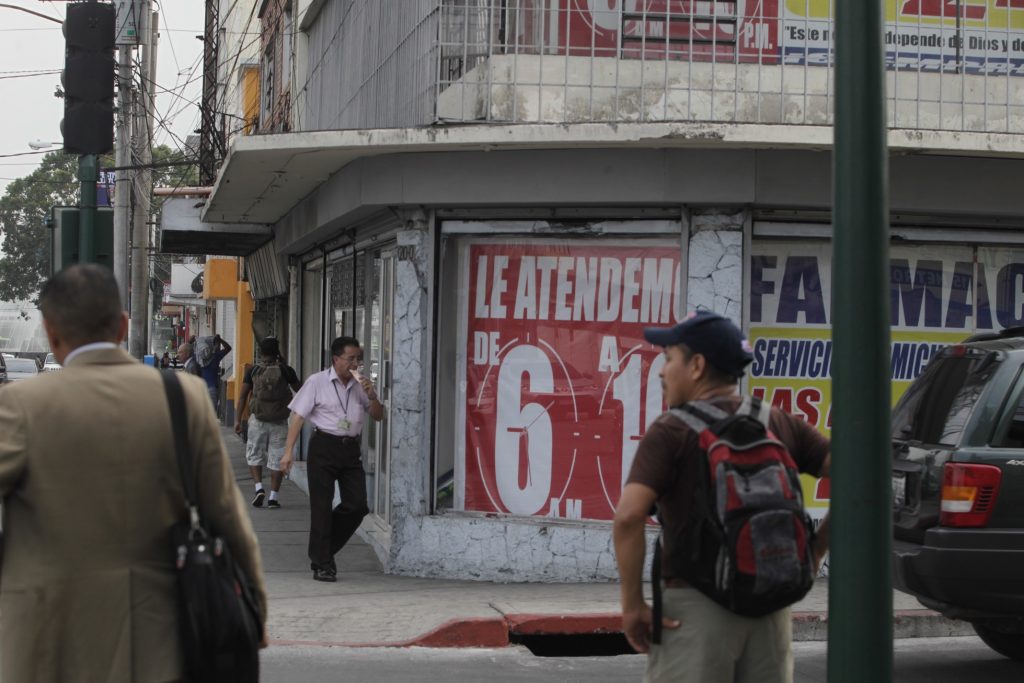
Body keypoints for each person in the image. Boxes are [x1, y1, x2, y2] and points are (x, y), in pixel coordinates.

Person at [0, 264, 267, 682]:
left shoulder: (19, 405)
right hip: (153, 632)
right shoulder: (183, 398)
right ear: (123, 325)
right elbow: (227, 517)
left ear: (51, 333)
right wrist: (255, 607)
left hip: (44, 635)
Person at [613, 311, 830, 683]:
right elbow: (855, 476)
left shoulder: (671, 430)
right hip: (770, 609)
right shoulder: (776, 421)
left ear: (696, 366)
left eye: (668, 359)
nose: (663, 372)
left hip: (694, 612)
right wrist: (815, 551)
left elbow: (629, 517)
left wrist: (632, 605)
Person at [280, 336, 384, 582]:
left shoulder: (361, 385)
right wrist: (288, 452)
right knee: (322, 507)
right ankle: (323, 564)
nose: (355, 364)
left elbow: (378, 416)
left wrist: (372, 396)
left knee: (358, 505)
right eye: (351, 359)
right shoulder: (317, 382)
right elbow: (297, 416)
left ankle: (322, 550)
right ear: (336, 359)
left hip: (350, 450)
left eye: (358, 359)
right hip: (324, 447)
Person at [235, 336, 302, 509]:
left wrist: (237, 420)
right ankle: (273, 498)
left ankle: (258, 488)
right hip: (280, 421)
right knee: (277, 458)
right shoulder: (287, 370)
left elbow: (242, 396)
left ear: (261, 351)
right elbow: (302, 393)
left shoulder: (253, 370)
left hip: (257, 420)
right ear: (277, 351)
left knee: (254, 454)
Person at [199, 334, 232, 411]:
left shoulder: (198, 358)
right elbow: (228, 348)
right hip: (212, 389)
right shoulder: (215, 357)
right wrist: (220, 340)